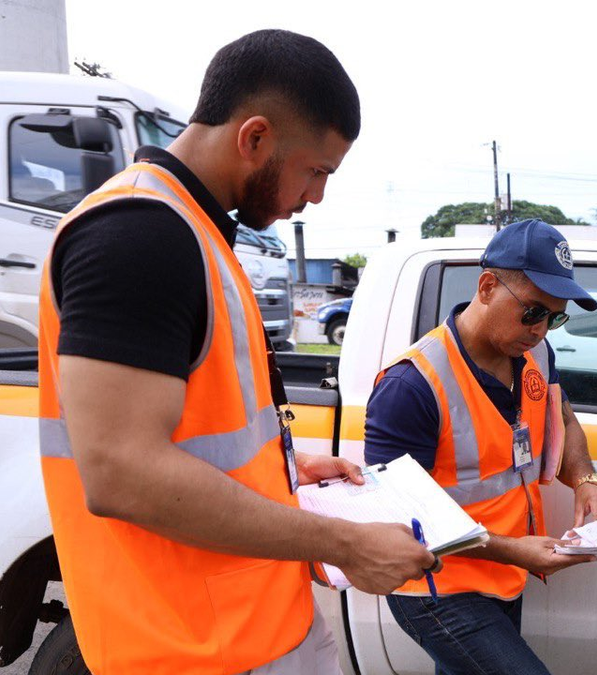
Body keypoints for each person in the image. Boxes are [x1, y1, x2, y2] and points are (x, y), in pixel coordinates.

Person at [38, 30, 434, 675]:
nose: (317, 197)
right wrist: (346, 542)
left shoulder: (190, 231)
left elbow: (192, 430)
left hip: (247, 629)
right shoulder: (141, 236)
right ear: (254, 137)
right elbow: (121, 473)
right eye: (317, 171)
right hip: (193, 648)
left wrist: (284, 467)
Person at [364, 219, 597, 675]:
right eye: (532, 311)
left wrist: (587, 479)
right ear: (486, 287)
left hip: (500, 574)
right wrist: (514, 550)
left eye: (555, 317)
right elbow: (402, 523)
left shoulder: (535, 356)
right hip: (436, 585)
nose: (542, 329)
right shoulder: (411, 385)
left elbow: (561, 418)